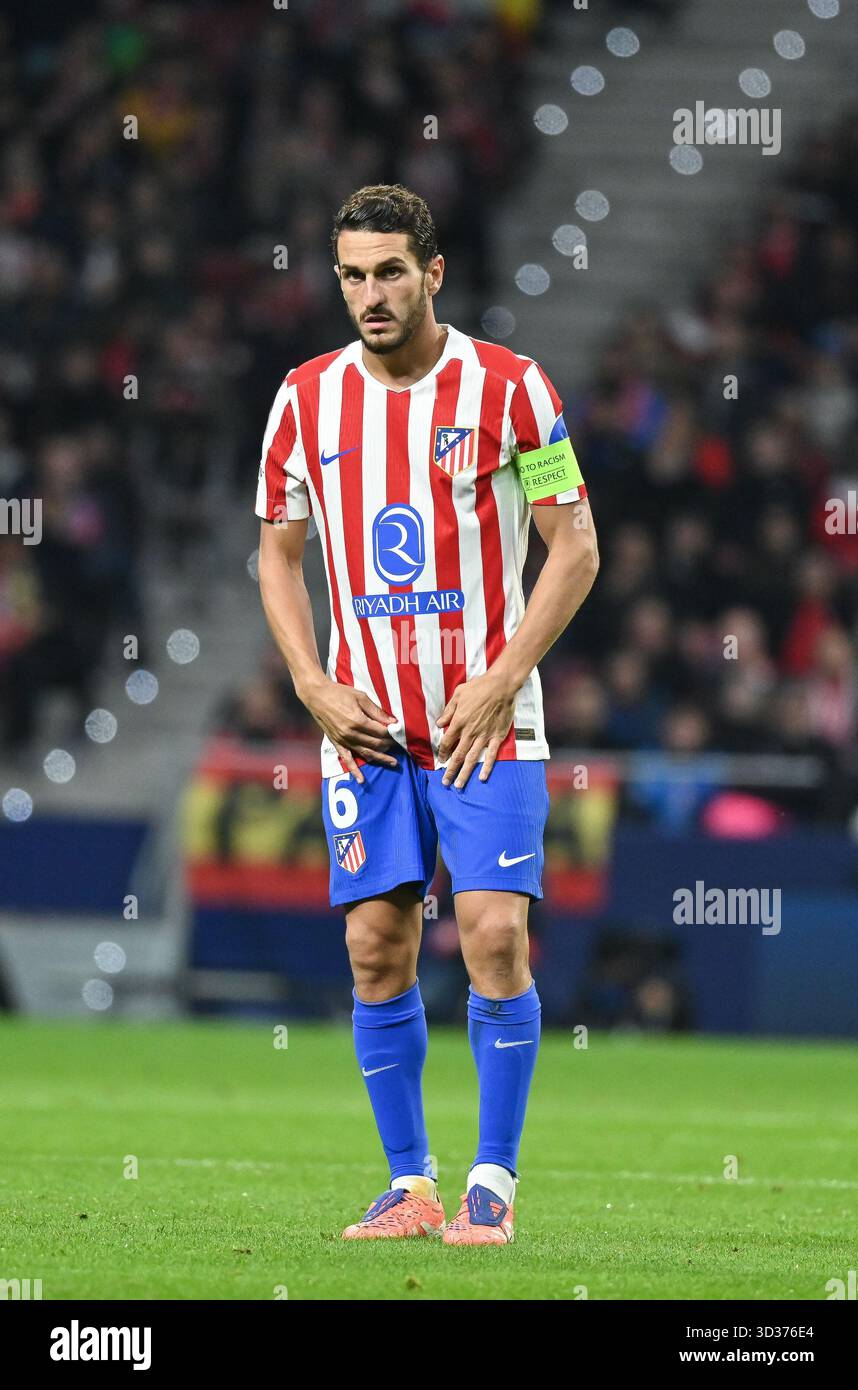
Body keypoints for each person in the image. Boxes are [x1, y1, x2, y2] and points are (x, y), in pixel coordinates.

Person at [255, 184, 599, 1244]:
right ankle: (411, 1185)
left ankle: (492, 1181)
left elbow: (574, 544)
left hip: (482, 722)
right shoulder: (305, 401)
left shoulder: (512, 390)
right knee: (375, 947)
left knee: (495, 934)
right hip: (361, 726)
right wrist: (311, 683)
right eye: (353, 273)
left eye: (391, 271)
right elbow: (276, 549)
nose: (371, 293)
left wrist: (503, 677)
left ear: (434, 272)